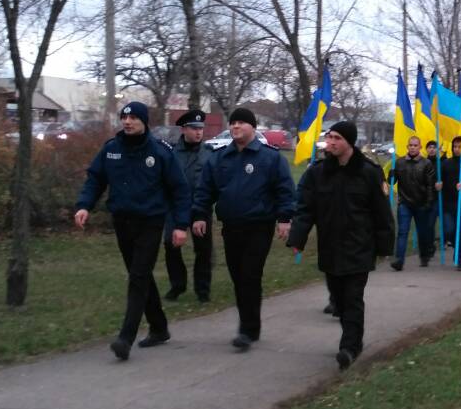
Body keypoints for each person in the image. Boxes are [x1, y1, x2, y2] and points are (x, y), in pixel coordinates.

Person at [74, 102, 191, 361]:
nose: (127, 122)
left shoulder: (160, 152)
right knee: (141, 274)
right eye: (124, 117)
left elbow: (180, 190)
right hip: (122, 221)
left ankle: (125, 338)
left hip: (151, 221)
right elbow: (95, 179)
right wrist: (84, 206)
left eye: (134, 118)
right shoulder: (111, 149)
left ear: (144, 121)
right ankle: (159, 328)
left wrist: (181, 225)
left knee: (138, 276)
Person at [288, 121, 395, 370]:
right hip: (330, 247)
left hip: (360, 247)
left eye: (337, 138)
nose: (331, 142)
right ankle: (352, 336)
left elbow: (382, 213)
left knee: (353, 298)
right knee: (338, 299)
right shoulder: (318, 173)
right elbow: (305, 209)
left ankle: (350, 346)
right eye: (329, 137)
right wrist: (298, 238)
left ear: (349, 142)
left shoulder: (369, 172)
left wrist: (384, 246)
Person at [192, 108, 295, 350]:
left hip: (259, 226)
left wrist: (285, 218)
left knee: (249, 275)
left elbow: (285, 190)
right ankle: (251, 324)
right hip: (231, 226)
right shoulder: (219, 158)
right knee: (238, 276)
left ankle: (247, 330)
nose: (236, 126)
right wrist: (199, 215)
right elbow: (205, 190)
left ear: (253, 127)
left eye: (241, 123)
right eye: (233, 123)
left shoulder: (270, 158)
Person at [164, 110, 213, 302]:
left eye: (201, 128)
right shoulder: (172, 152)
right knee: (171, 246)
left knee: (203, 250)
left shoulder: (209, 153)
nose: (198, 132)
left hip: (201, 208)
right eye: (194, 128)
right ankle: (177, 286)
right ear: (184, 129)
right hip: (176, 208)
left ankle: (203, 290)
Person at [390, 136, 437, 270]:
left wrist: (428, 202)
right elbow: (392, 181)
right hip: (404, 203)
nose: (412, 147)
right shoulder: (399, 163)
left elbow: (430, 185)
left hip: (421, 204)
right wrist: (391, 174)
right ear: (407, 146)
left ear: (420, 147)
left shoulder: (426, 163)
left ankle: (424, 256)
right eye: (410, 145)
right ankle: (399, 260)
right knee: (402, 232)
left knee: (422, 232)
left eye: (415, 145)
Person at [436, 136, 461, 270]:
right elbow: (439, 179)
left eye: (460, 147)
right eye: (455, 147)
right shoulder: (446, 164)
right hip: (449, 205)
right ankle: (458, 247)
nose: (457, 149)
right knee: (449, 230)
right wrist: (438, 185)